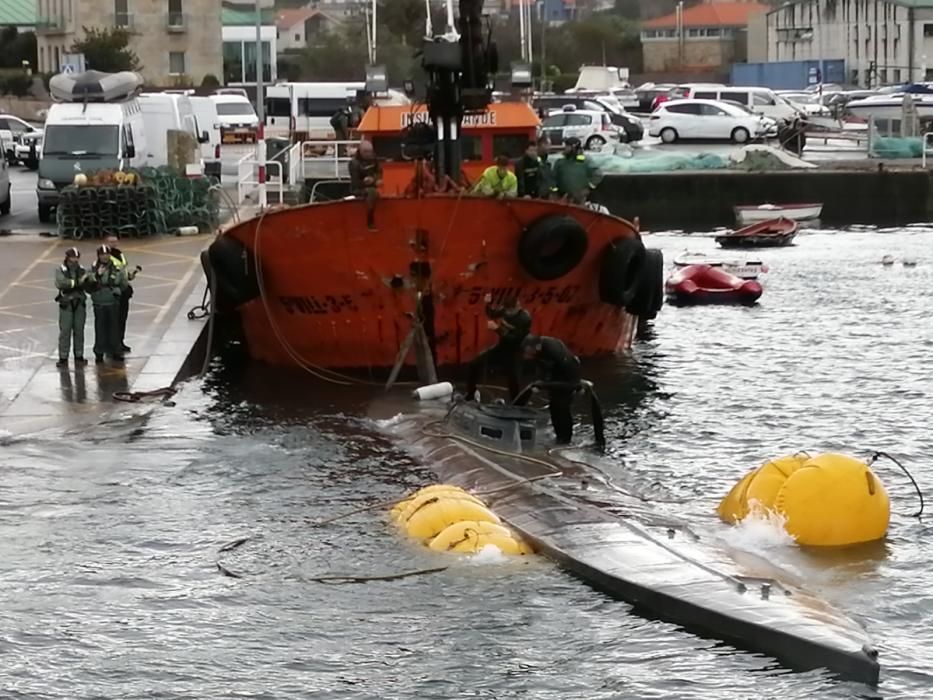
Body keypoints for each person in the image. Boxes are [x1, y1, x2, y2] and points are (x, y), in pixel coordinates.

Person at [465, 293, 532, 402]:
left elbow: (515, 339)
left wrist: (497, 329)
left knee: (514, 381)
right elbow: (492, 314)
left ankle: (517, 406)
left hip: (515, 352)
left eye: (511, 311)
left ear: (518, 307)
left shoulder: (524, 319)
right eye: (507, 310)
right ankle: (470, 394)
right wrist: (487, 304)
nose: (508, 313)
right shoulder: (504, 311)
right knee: (474, 364)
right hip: (501, 349)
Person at [516, 334, 582, 445]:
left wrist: (544, 384)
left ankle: (566, 440)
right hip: (556, 374)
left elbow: (565, 377)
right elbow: (543, 369)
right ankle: (559, 437)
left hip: (568, 378)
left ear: (536, 347)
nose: (526, 355)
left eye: (528, 351)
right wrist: (541, 382)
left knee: (562, 407)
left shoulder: (553, 351)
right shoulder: (540, 349)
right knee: (554, 407)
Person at [87, 244, 127, 364]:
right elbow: (88, 281)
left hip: (112, 301)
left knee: (114, 327)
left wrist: (118, 291)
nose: (105, 257)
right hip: (99, 302)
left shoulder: (116, 267)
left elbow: (123, 283)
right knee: (100, 328)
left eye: (107, 254)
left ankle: (115, 351)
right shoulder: (94, 268)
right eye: (102, 254)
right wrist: (97, 275)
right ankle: (99, 352)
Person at [104, 233, 140, 354]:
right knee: (114, 320)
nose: (113, 244)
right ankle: (112, 345)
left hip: (124, 291)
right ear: (106, 242)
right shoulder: (106, 258)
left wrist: (131, 275)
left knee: (122, 318)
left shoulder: (120, 254)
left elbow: (123, 272)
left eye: (115, 241)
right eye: (111, 242)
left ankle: (120, 341)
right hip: (115, 292)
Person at [54, 247, 89, 368]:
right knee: (65, 331)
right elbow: (61, 283)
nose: (75, 260)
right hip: (66, 304)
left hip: (79, 303)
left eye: (76, 257)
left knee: (79, 330)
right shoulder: (61, 270)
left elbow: (87, 282)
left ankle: (79, 355)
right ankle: (63, 357)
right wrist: (78, 282)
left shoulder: (82, 269)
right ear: (67, 258)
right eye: (72, 257)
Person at [551, 137, 603, 205]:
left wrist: (589, 188)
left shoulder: (586, 161)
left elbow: (598, 174)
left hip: (579, 199)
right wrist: (554, 193)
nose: (565, 148)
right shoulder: (560, 162)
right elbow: (552, 179)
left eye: (567, 146)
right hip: (562, 198)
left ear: (574, 147)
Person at [349, 140, 382, 230]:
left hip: (373, 185)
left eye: (370, 152)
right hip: (358, 189)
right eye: (366, 152)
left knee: (375, 192)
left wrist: (376, 179)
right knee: (372, 192)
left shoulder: (374, 159)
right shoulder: (354, 163)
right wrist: (365, 182)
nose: (369, 154)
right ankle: (370, 219)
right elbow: (355, 182)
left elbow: (379, 171)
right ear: (361, 151)